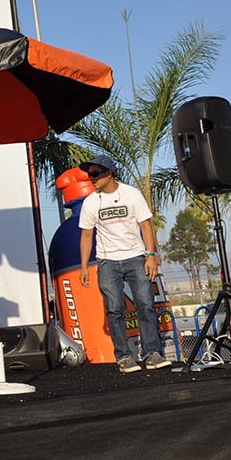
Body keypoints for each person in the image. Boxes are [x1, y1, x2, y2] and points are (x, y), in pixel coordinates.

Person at [78, 154, 170, 373]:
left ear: (110, 173)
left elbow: (146, 226)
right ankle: (124, 357)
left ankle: (151, 354)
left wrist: (151, 256)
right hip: (107, 262)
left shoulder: (131, 194)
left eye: (95, 173)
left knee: (145, 305)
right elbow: (86, 236)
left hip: (136, 257)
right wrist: (84, 267)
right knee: (114, 309)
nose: (92, 178)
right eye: (89, 175)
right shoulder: (91, 202)